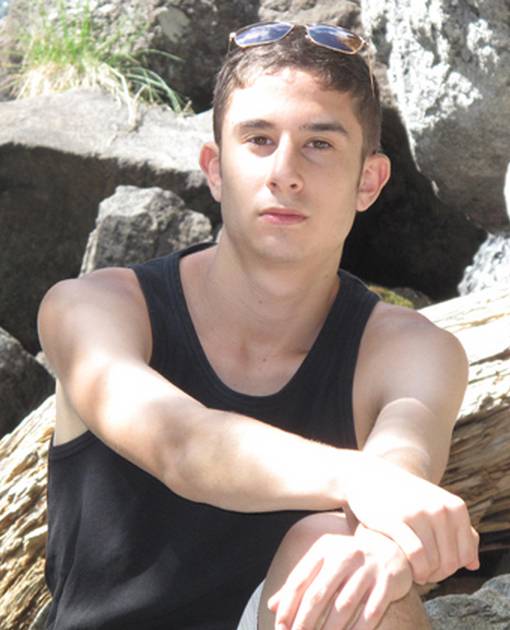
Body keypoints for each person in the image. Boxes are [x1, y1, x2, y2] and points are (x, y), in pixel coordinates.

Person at [38, 22, 479, 630]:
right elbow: (182, 445)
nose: (284, 172)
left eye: (319, 144)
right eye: (259, 139)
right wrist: (367, 483)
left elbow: (404, 459)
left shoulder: (411, 350)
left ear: (369, 181)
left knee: (345, 561)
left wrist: (386, 543)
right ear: (215, 169)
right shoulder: (94, 309)